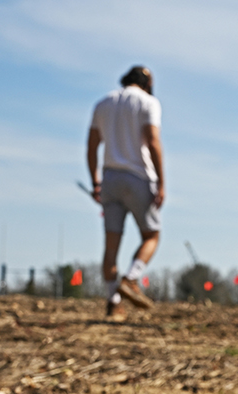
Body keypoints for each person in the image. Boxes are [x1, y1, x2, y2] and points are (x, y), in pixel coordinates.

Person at [87, 65, 165, 319]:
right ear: (147, 82)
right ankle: (131, 278)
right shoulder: (148, 103)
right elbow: (152, 142)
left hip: (110, 177)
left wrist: (96, 182)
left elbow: (91, 146)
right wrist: (162, 182)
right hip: (139, 177)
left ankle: (113, 302)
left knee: (111, 246)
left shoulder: (103, 103)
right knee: (151, 235)